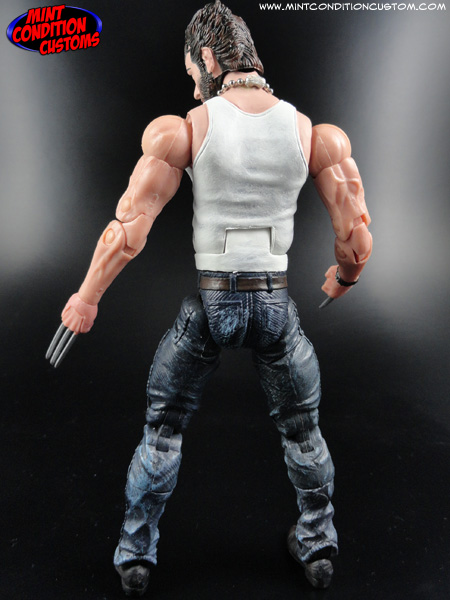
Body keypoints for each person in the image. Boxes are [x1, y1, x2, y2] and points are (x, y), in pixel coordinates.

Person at [47, 1, 372, 596]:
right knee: (303, 431)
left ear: (207, 58)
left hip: (211, 303)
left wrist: (86, 297)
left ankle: (135, 552)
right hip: (275, 307)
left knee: (163, 429)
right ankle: (319, 543)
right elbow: (355, 236)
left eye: (191, 71)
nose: (192, 85)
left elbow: (128, 230)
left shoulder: (184, 129)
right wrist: (344, 279)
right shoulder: (313, 135)